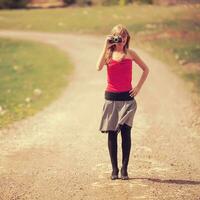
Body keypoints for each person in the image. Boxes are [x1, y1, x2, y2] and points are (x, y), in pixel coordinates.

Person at [96, 24, 149, 180]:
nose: (121, 39)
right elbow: (98, 67)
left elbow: (146, 69)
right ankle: (114, 169)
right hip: (111, 99)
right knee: (112, 134)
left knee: (126, 133)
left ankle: (125, 168)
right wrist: (105, 47)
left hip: (127, 100)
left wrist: (138, 87)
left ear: (127, 39)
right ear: (113, 38)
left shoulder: (131, 54)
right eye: (118, 36)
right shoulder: (108, 54)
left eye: (124, 36)